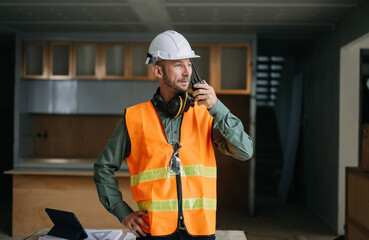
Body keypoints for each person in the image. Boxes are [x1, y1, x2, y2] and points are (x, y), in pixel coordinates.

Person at [94, 30, 253, 240]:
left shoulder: (207, 113)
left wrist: (218, 108)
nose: (187, 72)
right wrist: (123, 213)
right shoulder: (133, 119)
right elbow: (103, 168)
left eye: (189, 64)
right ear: (158, 72)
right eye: (178, 65)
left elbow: (245, 151)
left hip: (200, 231)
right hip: (154, 232)